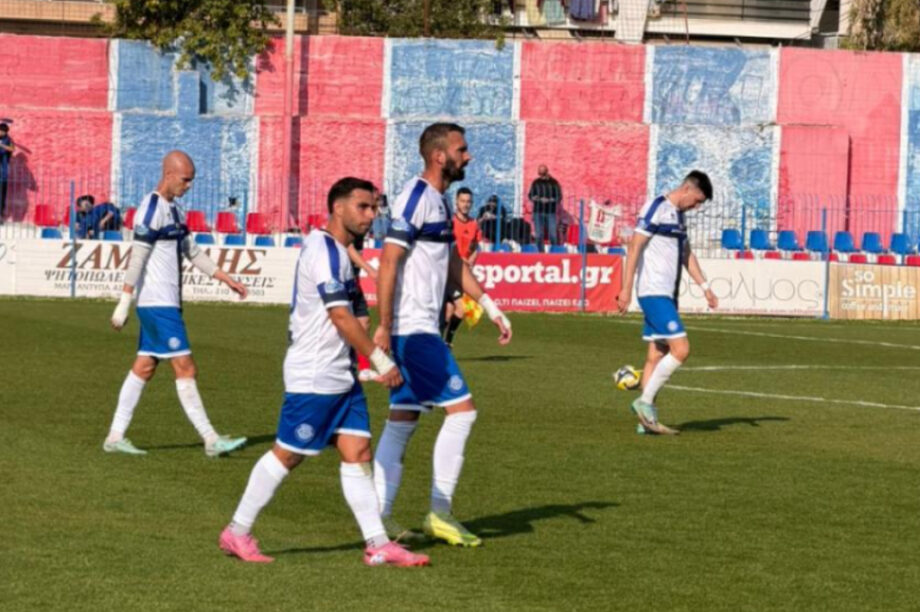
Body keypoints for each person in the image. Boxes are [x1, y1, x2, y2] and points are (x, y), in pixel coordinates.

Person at [218, 177, 429, 568]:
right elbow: (340, 317)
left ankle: (377, 543)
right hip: (314, 375)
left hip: (340, 375)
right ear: (338, 207)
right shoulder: (323, 250)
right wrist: (381, 362)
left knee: (358, 451)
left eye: (374, 207)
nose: (371, 215)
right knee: (288, 454)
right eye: (363, 207)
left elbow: (356, 314)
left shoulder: (341, 252)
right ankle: (237, 531)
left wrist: (369, 334)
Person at [373, 123, 512, 547]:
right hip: (414, 330)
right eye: (461, 149)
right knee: (463, 412)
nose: (468, 156)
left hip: (419, 328)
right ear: (439, 156)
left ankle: (377, 519)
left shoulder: (439, 200)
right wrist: (384, 325)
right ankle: (440, 510)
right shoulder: (415, 197)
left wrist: (490, 306)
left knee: (403, 420)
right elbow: (389, 260)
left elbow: (452, 262)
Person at [104, 150, 249, 456]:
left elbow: (192, 251)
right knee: (185, 367)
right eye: (185, 179)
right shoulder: (151, 208)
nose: (189, 185)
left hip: (166, 303)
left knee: (144, 367)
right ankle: (210, 439)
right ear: (169, 174)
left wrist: (226, 278)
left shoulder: (175, 210)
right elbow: (138, 256)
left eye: (191, 180)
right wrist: (124, 301)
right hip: (157, 303)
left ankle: (114, 437)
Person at [616, 170, 718, 435]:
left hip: (668, 296)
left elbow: (686, 255)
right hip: (653, 292)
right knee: (681, 349)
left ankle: (646, 422)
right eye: (697, 201)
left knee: (655, 356)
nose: (696, 207)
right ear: (687, 189)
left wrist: (705, 287)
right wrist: (625, 289)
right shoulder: (657, 207)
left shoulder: (679, 216)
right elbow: (635, 246)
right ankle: (644, 403)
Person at [441, 187, 481, 348]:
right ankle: (446, 342)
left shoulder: (473, 224)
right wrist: (458, 259)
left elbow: (476, 246)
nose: (465, 204)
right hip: (447, 272)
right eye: (462, 201)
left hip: (461, 273)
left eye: (468, 201)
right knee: (460, 308)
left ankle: (441, 343)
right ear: (456, 202)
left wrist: (471, 260)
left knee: (450, 311)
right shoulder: (450, 222)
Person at [348, 217, 378, 382]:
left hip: (354, 280)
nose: (371, 213)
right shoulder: (348, 224)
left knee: (364, 321)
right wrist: (370, 270)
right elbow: (348, 248)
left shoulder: (362, 229)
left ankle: (364, 369)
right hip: (342, 281)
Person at [527, 165, 562, 252]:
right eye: (539, 171)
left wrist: (549, 200)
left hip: (550, 211)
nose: (540, 173)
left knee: (553, 234)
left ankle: (554, 251)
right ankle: (541, 252)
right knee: (539, 235)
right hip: (538, 211)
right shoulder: (536, 182)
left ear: (546, 171)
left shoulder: (554, 183)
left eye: (542, 171)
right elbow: (530, 195)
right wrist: (536, 198)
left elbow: (559, 196)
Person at [0, 123, 14, 221]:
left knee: (1, 196)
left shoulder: (7, 140)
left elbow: (12, 148)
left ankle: (0, 215)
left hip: (2, 173)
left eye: (1, 131)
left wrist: (1, 145)